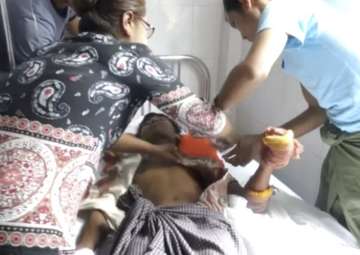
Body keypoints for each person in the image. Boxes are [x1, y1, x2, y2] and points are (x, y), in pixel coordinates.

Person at [0, 0, 245, 254]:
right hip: (24, 227)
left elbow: (85, 132)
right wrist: (245, 142)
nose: (146, 40)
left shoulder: (43, 56)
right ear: (128, 21)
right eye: (147, 27)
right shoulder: (131, 59)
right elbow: (208, 120)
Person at [214, 0, 360, 243]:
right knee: (331, 222)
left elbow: (254, 71)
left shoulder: (284, 8)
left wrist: (212, 111)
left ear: (246, 2)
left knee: (348, 232)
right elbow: (318, 111)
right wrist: (263, 140)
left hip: (355, 139)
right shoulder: (303, 35)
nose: (243, 37)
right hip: (345, 139)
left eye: (236, 25)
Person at [74, 113, 299, 255]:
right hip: (149, 228)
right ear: (140, 137)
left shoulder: (202, 162)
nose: (155, 123)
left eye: (163, 121)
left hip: (200, 225)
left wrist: (266, 165)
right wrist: (82, 250)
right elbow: (102, 209)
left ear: (178, 134)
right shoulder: (128, 162)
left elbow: (252, 202)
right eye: (148, 124)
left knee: (218, 243)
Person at [0, 0, 79, 66]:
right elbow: (42, 71)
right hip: (20, 71)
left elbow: (73, 21)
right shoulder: (38, 31)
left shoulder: (62, 3)